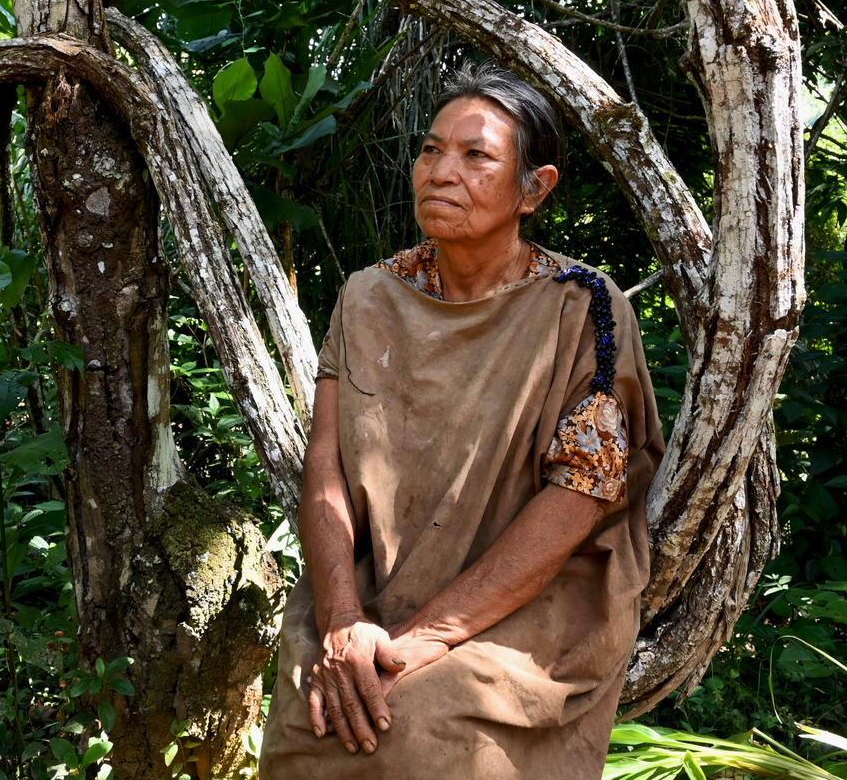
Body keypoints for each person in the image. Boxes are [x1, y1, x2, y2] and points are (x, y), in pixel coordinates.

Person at [259, 64, 665, 780]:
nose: (442, 172)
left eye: (476, 155)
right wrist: (344, 622)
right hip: (370, 588)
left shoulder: (585, 308)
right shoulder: (367, 297)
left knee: (422, 722)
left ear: (534, 189)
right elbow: (325, 469)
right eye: (429, 150)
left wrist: (429, 638)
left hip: (530, 603)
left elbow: (581, 495)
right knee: (316, 712)